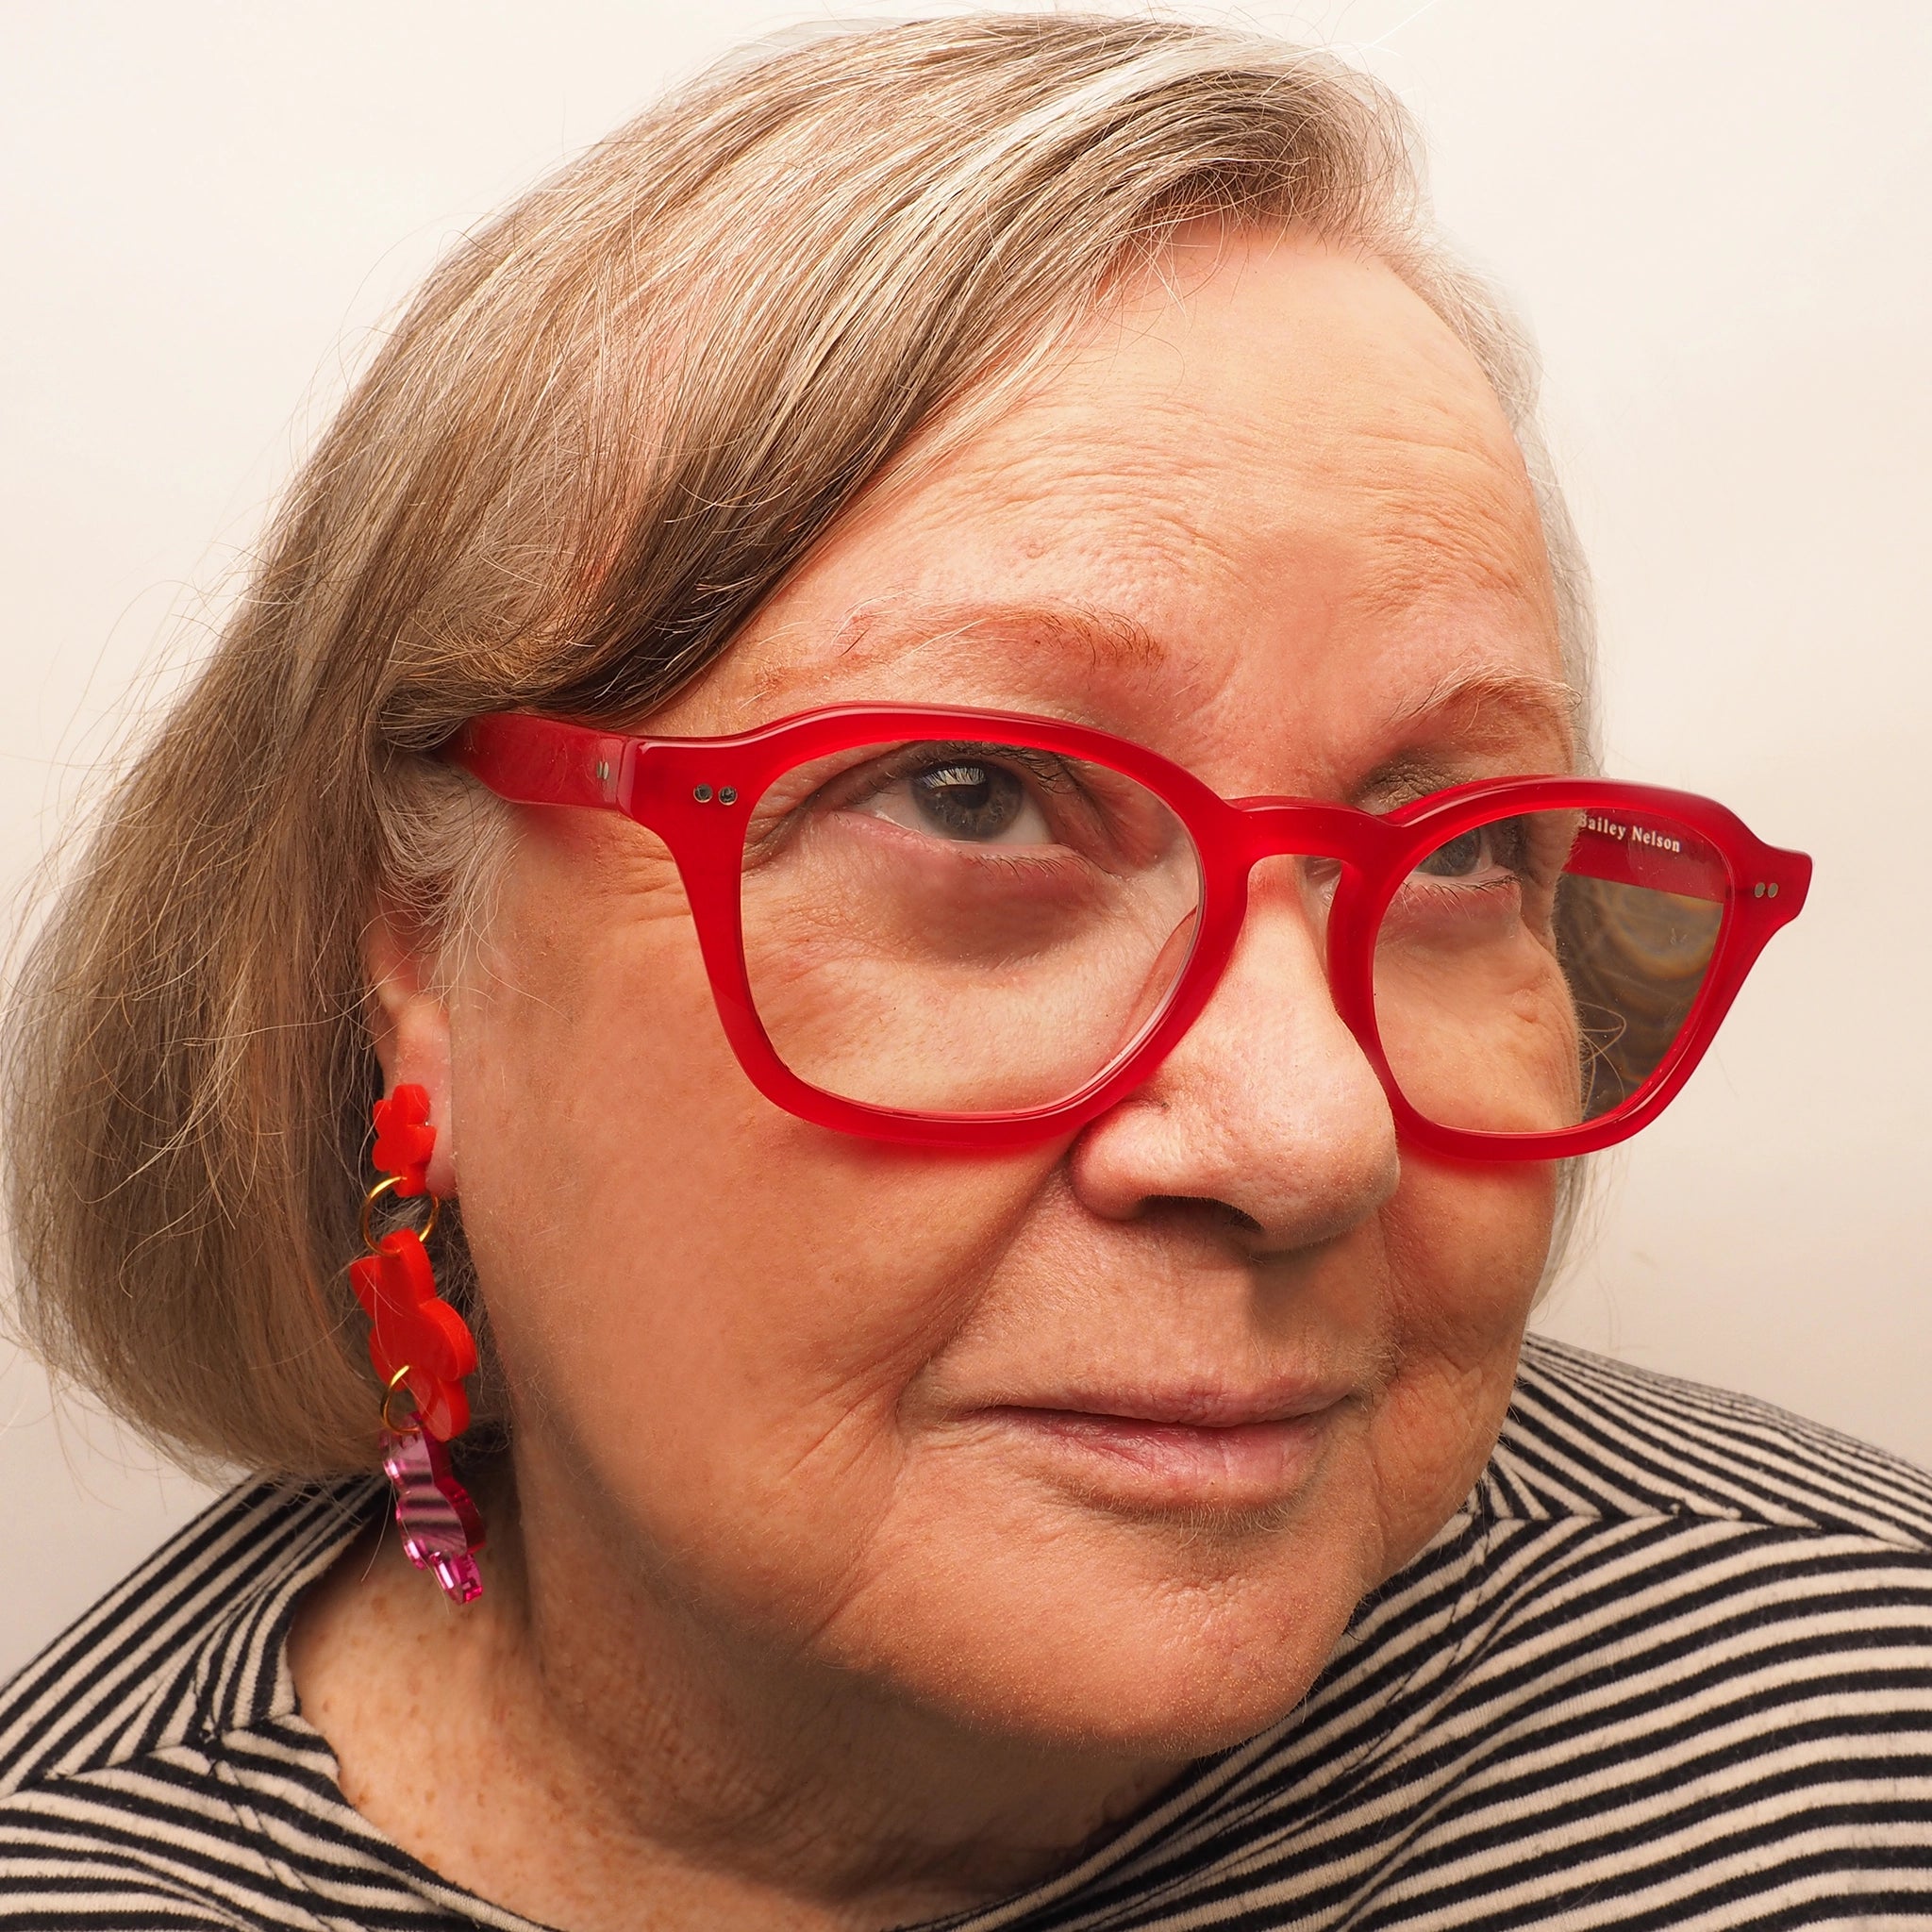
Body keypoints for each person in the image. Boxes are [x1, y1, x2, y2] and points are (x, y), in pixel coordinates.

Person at [1, 15, 1925, 1930]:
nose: (1311, 1132)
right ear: (409, 942)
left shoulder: (1865, 1727)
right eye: (972, 796)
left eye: (1466, 843)